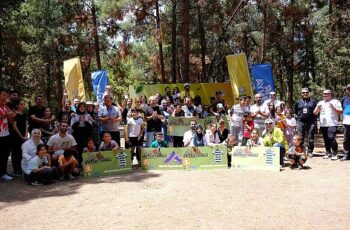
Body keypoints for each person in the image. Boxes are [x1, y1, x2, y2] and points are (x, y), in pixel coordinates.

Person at [313, 89, 342, 160]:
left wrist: (333, 108)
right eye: (323, 94)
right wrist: (318, 109)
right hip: (323, 124)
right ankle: (328, 152)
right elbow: (315, 113)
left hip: (332, 123)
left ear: (330, 94)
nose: (324, 95)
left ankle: (335, 153)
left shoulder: (336, 101)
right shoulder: (320, 102)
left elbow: (340, 111)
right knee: (326, 139)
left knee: (331, 137)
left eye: (326, 94)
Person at [294, 88, 318, 157]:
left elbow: (316, 112)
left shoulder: (313, 102)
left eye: (306, 92)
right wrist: (298, 120)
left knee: (310, 138)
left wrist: (315, 121)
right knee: (300, 137)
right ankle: (301, 150)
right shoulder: (298, 102)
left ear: (309, 93)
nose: (305, 94)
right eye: (303, 92)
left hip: (311, 122)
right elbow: (295, 111)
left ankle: (310, 151)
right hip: (300, 122)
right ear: (301, 93)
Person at [0, 89, 16, 181]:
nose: (6, 97)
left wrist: (12, 116)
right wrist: (6, 115)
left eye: (6, 95)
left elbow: (10, 121)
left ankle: (3, 172)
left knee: (5, 153)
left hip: (5, 133)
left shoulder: (5, 106)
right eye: (4, 95)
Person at [10, 100, 28, 176]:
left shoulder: (24, 114)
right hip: (16, 136)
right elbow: (14, 126)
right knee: (15, 153)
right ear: (17, 105)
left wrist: (26, 135)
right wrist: (21, 136)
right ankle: (16, 170)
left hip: (23, 136)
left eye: (23, 104)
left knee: (22, 152)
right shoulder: (14, 114)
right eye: (21, 104)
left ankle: (21, 168)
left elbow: (26, 125)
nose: (22, 106)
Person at [341, 84, 350, 161]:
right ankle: (346, 154)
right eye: (349, 89)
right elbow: (341, 109)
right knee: (346, 139)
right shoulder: (344, 99)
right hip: (346, 122)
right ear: (347, 90)